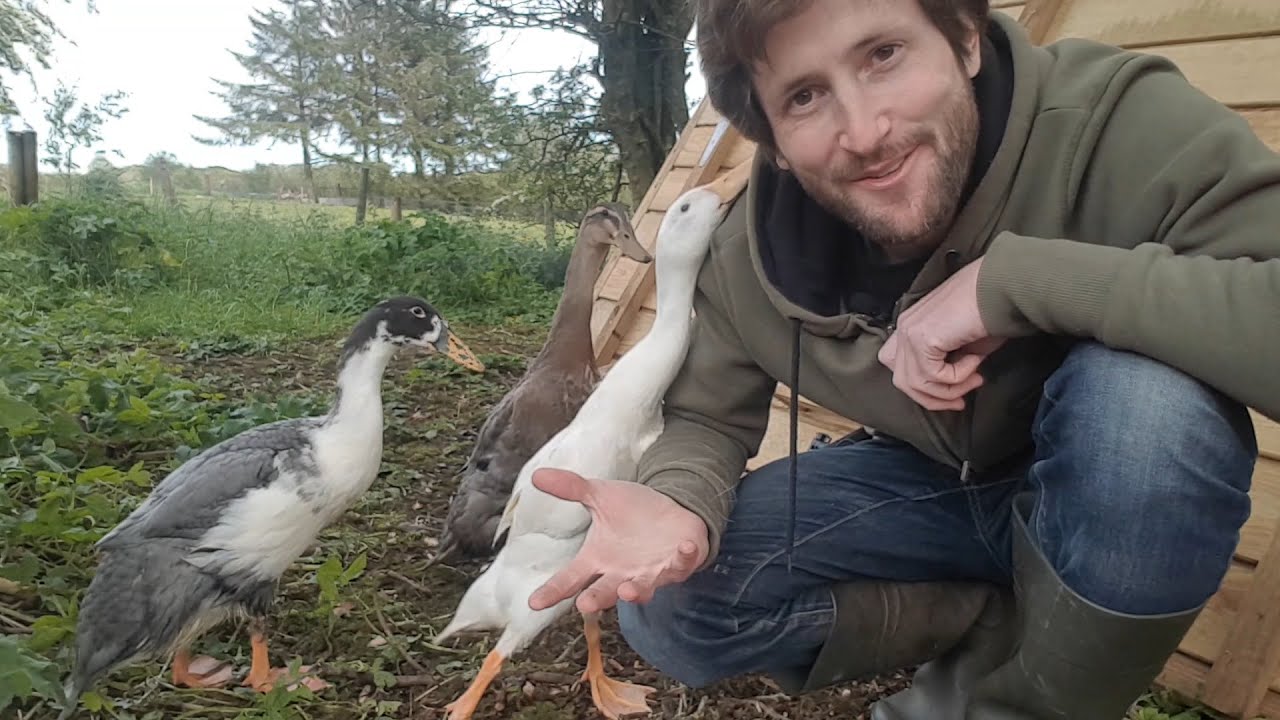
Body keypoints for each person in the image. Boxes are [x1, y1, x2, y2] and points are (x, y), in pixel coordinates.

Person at [522, 0, 1280, 717]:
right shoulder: (744, 255)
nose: (865, 132)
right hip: (929, 484)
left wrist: (1019, 284)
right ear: (773, 143)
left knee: (1147, 410)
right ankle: (1003, 621)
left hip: (1103, 474)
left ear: (966, 38)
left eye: (883, 54)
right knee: (668, 606)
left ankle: (1015, 704)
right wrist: (678, 499)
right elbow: (706, 417)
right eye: (804, 97)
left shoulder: (1120, 121)